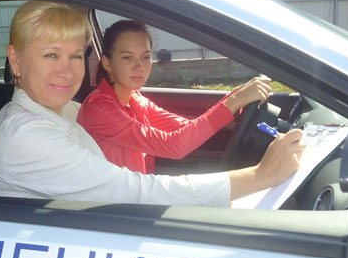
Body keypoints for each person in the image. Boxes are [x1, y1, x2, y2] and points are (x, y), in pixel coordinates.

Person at [0, 0, 304, 208]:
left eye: (75, 56)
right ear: (15, 60)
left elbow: (184, 131)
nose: (67, 70)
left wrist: (234, 108)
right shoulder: (27, 135)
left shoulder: (66, 111)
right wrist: (259, 176)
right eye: (51, 55)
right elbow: (138, 191)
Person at [77, 19, 272, 173]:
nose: (139, 66)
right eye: (127, 57)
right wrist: (235, 101)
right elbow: (174, 146)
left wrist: (234, 97)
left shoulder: (136, 99)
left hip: (138, 192)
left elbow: (186, 128)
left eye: (145, 57)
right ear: (107, 63)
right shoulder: (99, 108)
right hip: (112, 205)